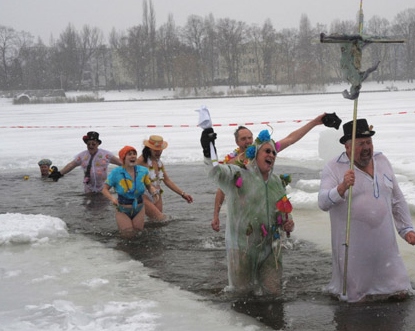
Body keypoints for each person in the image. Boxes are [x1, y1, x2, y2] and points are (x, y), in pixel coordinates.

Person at [318, 118, 415, 303]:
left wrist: (406, 229)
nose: (367, 148)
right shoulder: (333, 167)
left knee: (400, 291)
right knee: (356, 301)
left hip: (386, 250)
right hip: (353, 250)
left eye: (369, 142)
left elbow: (397, 198)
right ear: (347, 147)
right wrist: (341, 188)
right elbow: (322, 202)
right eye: (361, 144)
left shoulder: (382, 160)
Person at [201, 127, 294, 295]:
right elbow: (215, 172)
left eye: (274, 152)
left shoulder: (276, 182)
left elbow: (284, 212)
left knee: (274, 293)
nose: (271, 155)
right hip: (241, 247)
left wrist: (289, 223)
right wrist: (208, 150)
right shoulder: (239, 175)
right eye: (267, 151)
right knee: (241, 295)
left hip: (271, 249)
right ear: (255, 154)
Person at [211, 113, 341, 231]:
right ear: (237, 142)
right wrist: (216, 216)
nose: (248, 141)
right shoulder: (232, 163)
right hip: (243, 212)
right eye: (244, 139)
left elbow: (290, 139)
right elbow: (221, 189)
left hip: (263, 207)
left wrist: (314, 122)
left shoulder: (263, 152)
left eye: (250, 138)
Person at [102, 146, 159, 238]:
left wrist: (153, 192)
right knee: (127, 235)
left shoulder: (143, 171)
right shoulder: (116, 172)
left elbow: (148, 185)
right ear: (123, 158)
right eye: (129, 154)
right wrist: (112, 199)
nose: (133, 156)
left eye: (134, 154)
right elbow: (104, 189)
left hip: (139, 208)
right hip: (122, 209)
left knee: (137, 235)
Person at [137, 135, 193, 221]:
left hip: (157, 195)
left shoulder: (159, 163)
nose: (158, 153)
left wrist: (183, 194)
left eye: (160, 150)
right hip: (144, 195)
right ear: (149, 149)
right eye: (156, 151)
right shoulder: (141, 161)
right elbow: (131, 176)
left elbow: (167, 181)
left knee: (157, 224)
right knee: (161, 219)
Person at [54, 131, 122, 193]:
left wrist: (130, 168)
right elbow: (72, 165)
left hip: (103, 188)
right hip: (88, 189)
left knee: (103, 205)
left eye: (93, 144)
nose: (91, 146)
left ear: (98, 144)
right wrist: (60, 173)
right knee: (88, 204)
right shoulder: (82, 155)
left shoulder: (106, 155)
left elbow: (120, 162)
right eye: (88, 144)